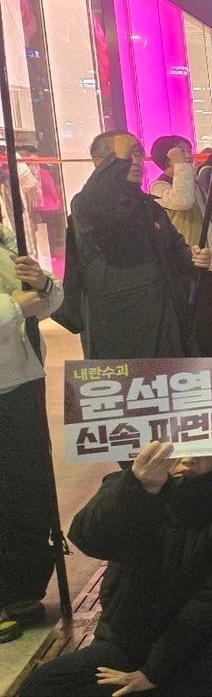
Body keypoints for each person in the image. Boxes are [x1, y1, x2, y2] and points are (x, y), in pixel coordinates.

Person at [18, 440, 212, 696]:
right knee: (40, 686)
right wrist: (139, 487)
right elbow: (87, 538)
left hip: (206, 639)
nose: (189, 457)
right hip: (128, 641)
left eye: (204, 444)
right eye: (178, 444)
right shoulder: (129, 481)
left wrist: (154, 671)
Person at [57, 131, 212, 358]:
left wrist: (191, 255)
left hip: (165, 324)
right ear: (99, 164)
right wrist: (117, 162)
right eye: (122, 156)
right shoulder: (87, 206)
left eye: (138, 154)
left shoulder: (149, 206)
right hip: (120, 334)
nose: (134, 161)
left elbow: (174, 247)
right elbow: (97, 200)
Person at [0, 226, 63, 644]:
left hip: (20, 382)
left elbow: (45, 302)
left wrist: (43, 284)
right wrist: (12, 308)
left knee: (27, 490)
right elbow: (19, 309)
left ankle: (20, 587)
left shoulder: (4, 236)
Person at [149, 135, 212, 358]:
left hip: (206, 265)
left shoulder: (194, 186)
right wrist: (180, 166)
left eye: (188, 150)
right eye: (182, 151)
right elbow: (182, 202)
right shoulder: (159, 186)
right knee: (195, 329)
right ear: (169, 157)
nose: (189, 155)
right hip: (185, 268)